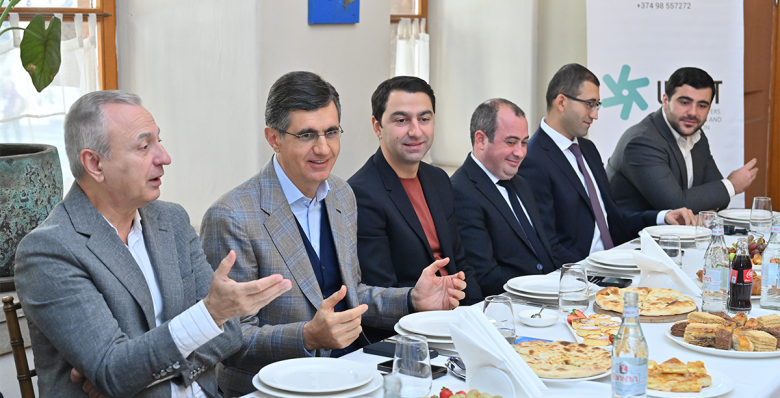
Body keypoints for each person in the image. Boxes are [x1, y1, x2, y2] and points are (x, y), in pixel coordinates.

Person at [200, 71, 467, 397]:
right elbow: (227, 341)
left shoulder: (341, 194)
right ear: (274, 138)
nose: (323, 148)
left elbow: (354, 294)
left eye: (331, 132)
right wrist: (307, 336)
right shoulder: (232, 216)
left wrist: (411, 298)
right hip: (278, 389)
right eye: (307, 135)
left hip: (354, 371)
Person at [13, 90, 291, 398]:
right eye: (144, 146)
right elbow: (113, 371)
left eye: (159, 141)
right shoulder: (49, 250)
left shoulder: (171, 221)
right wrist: (208, 316)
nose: (164, 157)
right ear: (94, 163)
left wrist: (141, 377)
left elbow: (229, 334)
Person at [518, 64, 695, 266]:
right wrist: (598, 271)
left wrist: (663, 217)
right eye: (589, 104)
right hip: (583, 273)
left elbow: (612, 220)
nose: (595, 114)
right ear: (561, 102)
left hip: (615, 262)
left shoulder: (587, 149)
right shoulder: (533, 159)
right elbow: (548, 246)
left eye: (597, 105)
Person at [348, 76, 482, 315]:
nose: (416, 131)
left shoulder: (438, 179)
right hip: (410, 324)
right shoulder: (361, 193)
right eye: (401, 120)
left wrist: (478, 316)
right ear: (377, 127)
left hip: (458, 315)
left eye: (424, 119)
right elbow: (381, 289)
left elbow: (460, 262)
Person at [607, 67, 758, 213]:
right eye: (685, 102)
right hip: (637, 231)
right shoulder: (642, 143)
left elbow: (717, 195)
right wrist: (732, 185)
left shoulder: (697, 136)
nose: (693, 113)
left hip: (677, 230)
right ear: (665, 100)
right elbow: (675, 206)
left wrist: (704, 209)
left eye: (702, 105)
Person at [450, 99, 561, 296]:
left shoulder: (521, 183)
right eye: (511, 142)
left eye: (524, 142)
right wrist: (544, 292)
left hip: (552, 292)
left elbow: (544, 251)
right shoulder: (461, 191)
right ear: (481, 140)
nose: (520, 152)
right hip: (518, 303)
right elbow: (486, 276)